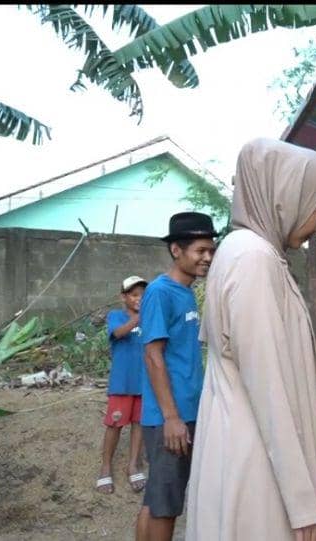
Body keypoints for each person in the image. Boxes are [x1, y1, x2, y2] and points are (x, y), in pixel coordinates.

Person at [185, 139, 316, 541]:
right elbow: (269, 386)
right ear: (287, 197)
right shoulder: (253, 259)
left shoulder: (250, 254)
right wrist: (303, 503)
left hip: (251, 447)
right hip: (257, 461)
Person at [135, 212, 217, 541]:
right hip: (171, 417)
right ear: (176, 251)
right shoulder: (160, 292)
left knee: (157, 499)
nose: (208, 257)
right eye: (200, 250)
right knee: (166, 507)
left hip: (187, 411)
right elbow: (153, 355)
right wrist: (171, 417)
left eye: (211, 250)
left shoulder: (185, 292)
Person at [95, 275, 148, 495]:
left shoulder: (151, 318)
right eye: (134, 295)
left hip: (145, 383)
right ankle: (105, 467)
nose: (139, 299)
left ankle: (133, 464)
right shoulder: (116, 316)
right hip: (122, 384)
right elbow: (118, 333)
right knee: (115, 425)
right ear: (123, 297)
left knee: (139, 424)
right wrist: (139, 317)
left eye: (143, 296)